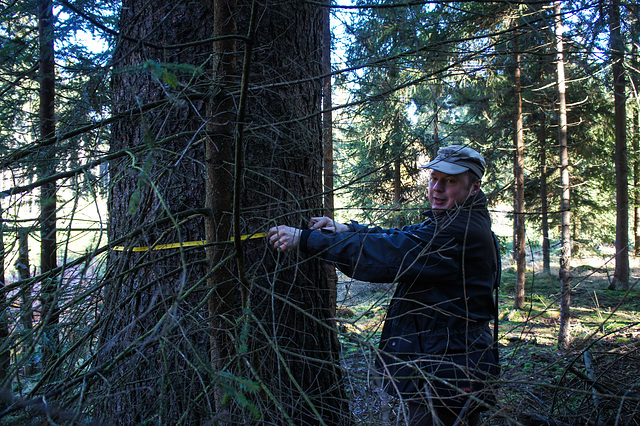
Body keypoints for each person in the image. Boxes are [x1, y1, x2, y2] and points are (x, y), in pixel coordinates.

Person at [269, 145, 500, 425]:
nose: (437, 189)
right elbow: (403, 236)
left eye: (450, 181)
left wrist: (307, 240)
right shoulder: (457, 218)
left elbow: (390, 254)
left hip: (449, 369)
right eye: (434, 178)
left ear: (474, 187)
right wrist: (347, 230)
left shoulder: (459, 230)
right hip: (445, 361)